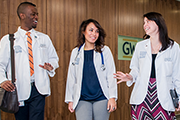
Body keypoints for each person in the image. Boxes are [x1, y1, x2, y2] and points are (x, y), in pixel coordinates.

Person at [114, 12, 180, 120]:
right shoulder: (140, 46)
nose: (145, 25)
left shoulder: (173, 47)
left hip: (163, 96)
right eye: (144, 22)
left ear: (158, 23)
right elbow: (135, 69)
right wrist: (130, 77)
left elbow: (177, 74)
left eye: (148, 21)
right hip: (142, 97)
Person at [0, 2, 59, 120]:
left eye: (37, 14)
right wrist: (3, 80)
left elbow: (54, 58)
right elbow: (1, 64)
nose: (36, 17)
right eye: (33, 14)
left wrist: (51, 66)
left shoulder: (44, 38)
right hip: (19, 89)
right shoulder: (9, 40)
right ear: (22, 15)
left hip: (38, 89)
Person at [65, 19, 117, 120]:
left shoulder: (104, 51)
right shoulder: (76, 52)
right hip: (82, 98)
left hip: (101, 97)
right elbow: (71, 77)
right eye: (91, 30)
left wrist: (112, 97)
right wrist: (70, 99)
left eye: (97, 31)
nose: (94, 34)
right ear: (83, 32)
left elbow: (111, 75)